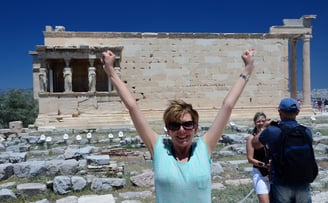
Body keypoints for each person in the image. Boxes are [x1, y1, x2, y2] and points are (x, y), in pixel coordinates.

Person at [101, 49, 255, 203]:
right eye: (174, 125)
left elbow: (227, 106)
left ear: (195, 128)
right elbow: (132, 107)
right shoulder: (158, 148)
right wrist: (111, 71)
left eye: (187, 125)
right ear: (168, 130)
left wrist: (247, 69)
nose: (181, 130)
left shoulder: (204, 147)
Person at [252, 98, 314, 203]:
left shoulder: (273, 131)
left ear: (279, 111)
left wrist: (264, 128)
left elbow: (255, 144)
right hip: (303, 180)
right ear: (298, 112)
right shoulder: (307, 131)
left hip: (281, 182)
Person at [246, 112, 270, 203]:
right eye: (258, 121)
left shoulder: (270, 135)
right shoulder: (251, 138)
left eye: (263, 121)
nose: (260, 123)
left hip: (272, 173)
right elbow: (250, 159)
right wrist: (264, 165)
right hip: (259, 173)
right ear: (255, 123)